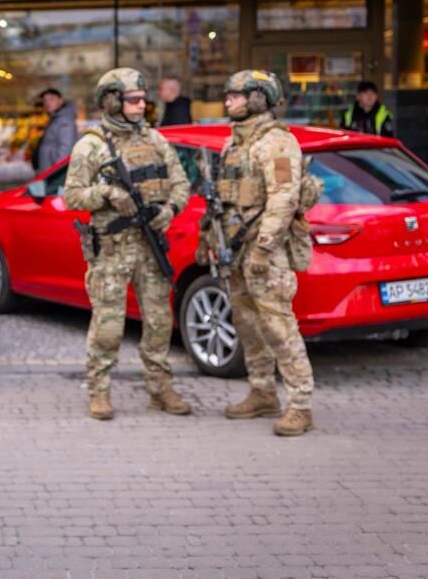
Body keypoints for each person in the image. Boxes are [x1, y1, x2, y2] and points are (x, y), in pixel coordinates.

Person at [65, 68, 192, 420]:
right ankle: (99, 390)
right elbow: (72, 196)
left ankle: (160, 388)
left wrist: (170, 209)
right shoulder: (91, 145)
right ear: (113, 101)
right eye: (134, 99)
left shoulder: (155, 141)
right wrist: (106, 193)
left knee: (159, 321)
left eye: (143, 98)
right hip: (112, 248)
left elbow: (181, 184)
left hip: (150, 247)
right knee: (108, 325)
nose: (142, 104)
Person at [210, 69, 315, 436]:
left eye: (235, 95)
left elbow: (284, 199)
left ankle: (300, 404)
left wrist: (264, 248)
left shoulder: (277, 143)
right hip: (235, 251)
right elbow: (223, 200)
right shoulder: (233, 144)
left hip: (264, 254)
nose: (228, 101)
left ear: (257, 98)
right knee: (247, 323)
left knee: (278, 326)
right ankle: (262, 391)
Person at [35, 87, 78, 171]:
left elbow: (65, 150)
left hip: (54, 174)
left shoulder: (65, 121)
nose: (47, 103)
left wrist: (55, 172)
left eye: (51, 99)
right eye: (45, 100)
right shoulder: (55, 119)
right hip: (49, 172)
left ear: (60, 100)